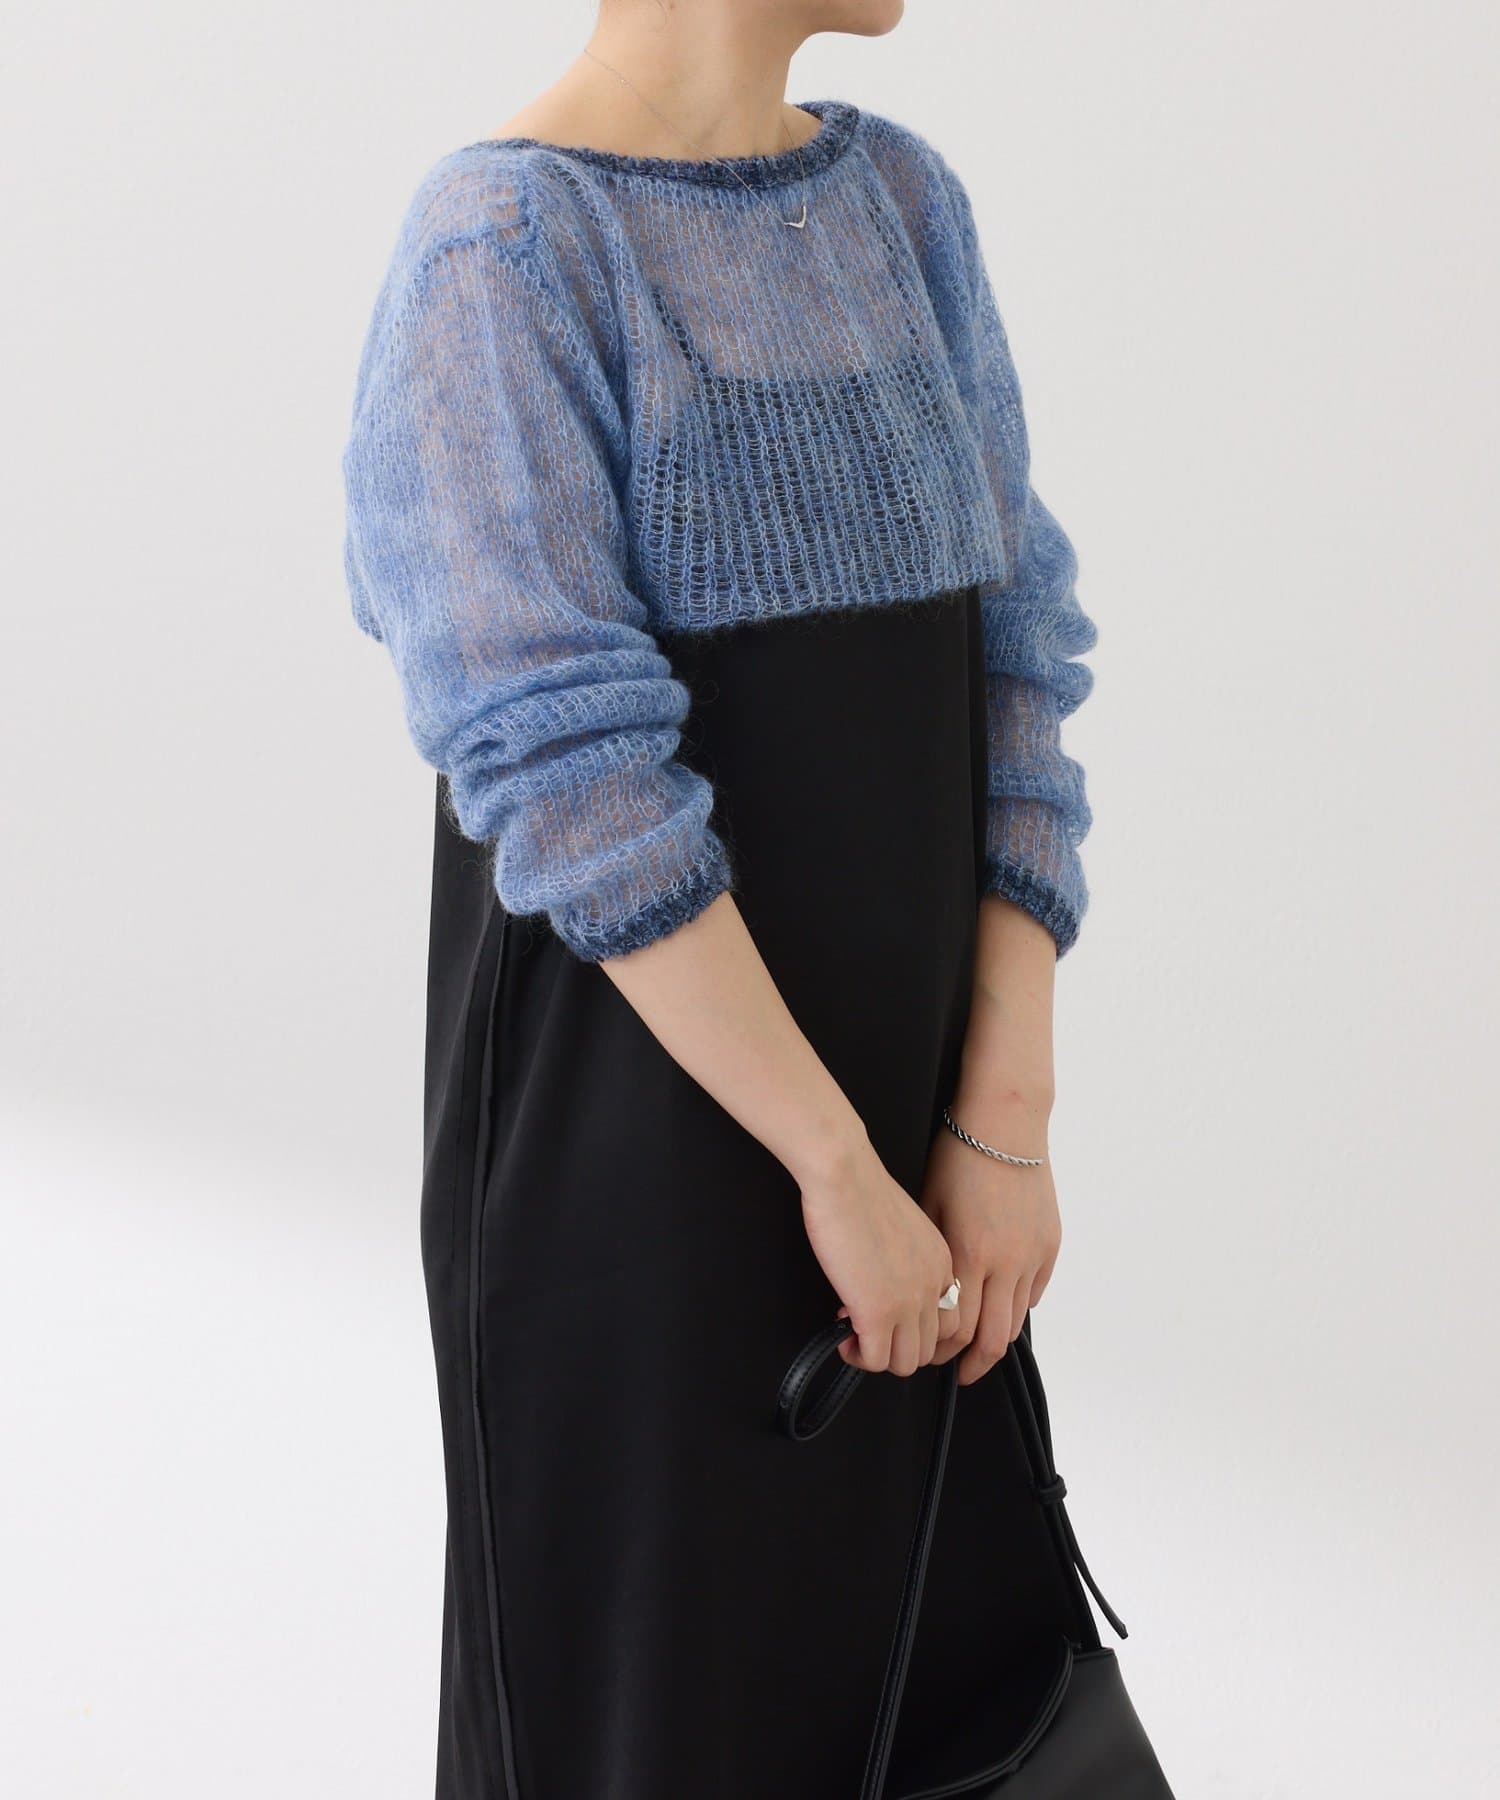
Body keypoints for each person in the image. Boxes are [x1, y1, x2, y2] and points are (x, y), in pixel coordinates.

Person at [339, 4, 1115, 1795]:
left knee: (950, 1703)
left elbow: (1020, 655)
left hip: (919, 1155)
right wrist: (832, 1167)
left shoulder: (899, 205)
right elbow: (567, 774)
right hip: (648, 1168)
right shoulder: (503, 249)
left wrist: (998, 1120)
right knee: (668, 1718)